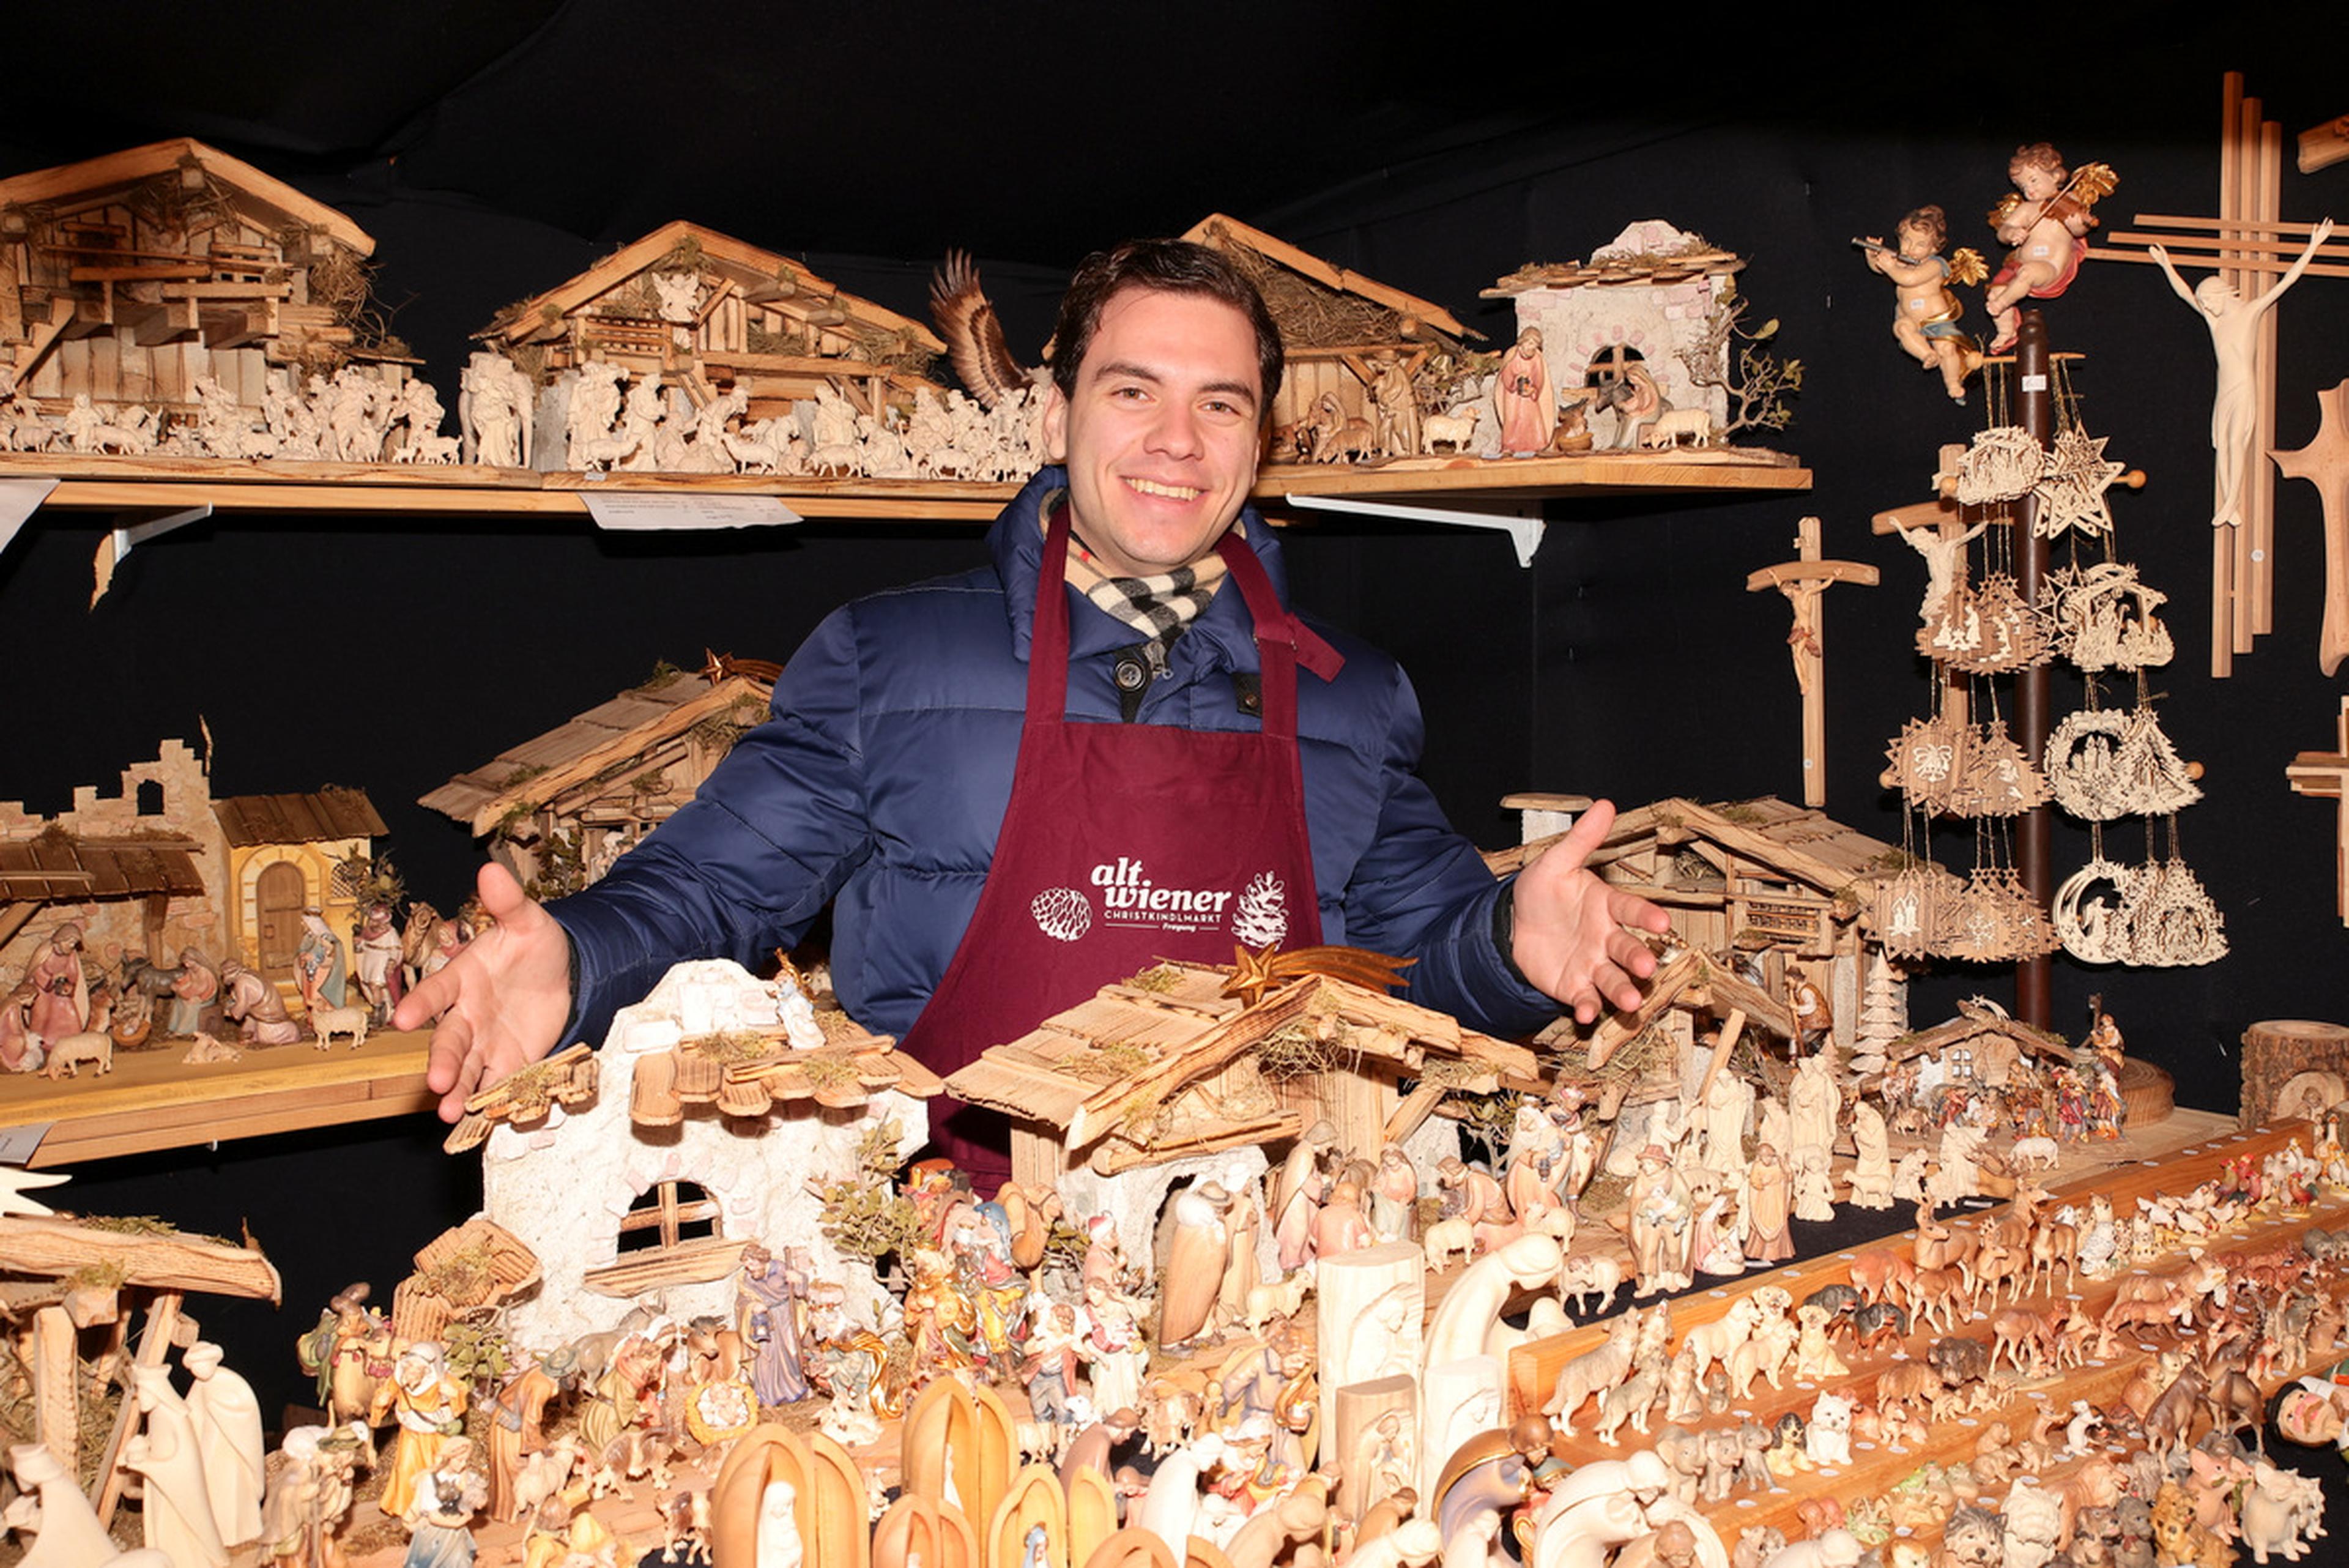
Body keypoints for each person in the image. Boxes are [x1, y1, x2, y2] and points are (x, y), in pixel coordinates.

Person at [397, 240, 1669, 1175]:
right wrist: (577, 959)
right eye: (1134, 391)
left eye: (1219, 403)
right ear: (1056, 414)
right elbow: (705, 892)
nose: (1178, 437)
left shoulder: (1353, 695)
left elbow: (1417, 959)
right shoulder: (889, 659)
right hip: (966, 1262)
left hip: (1251, 1260)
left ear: (1257, 442)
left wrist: (1512, 945)